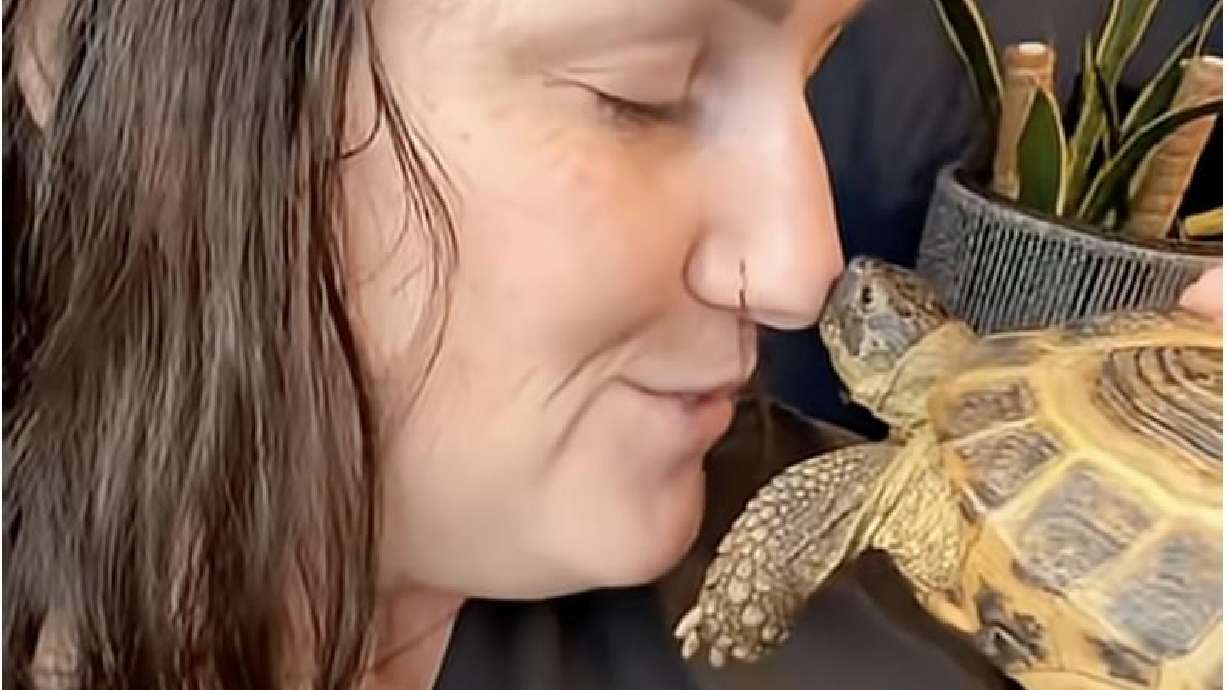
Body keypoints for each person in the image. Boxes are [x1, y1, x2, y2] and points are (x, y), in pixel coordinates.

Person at [3, 2, 1220, 690]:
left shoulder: (873, 620)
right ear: (103, 63)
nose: (800, 267)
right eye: (636, 91)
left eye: (815, 77)